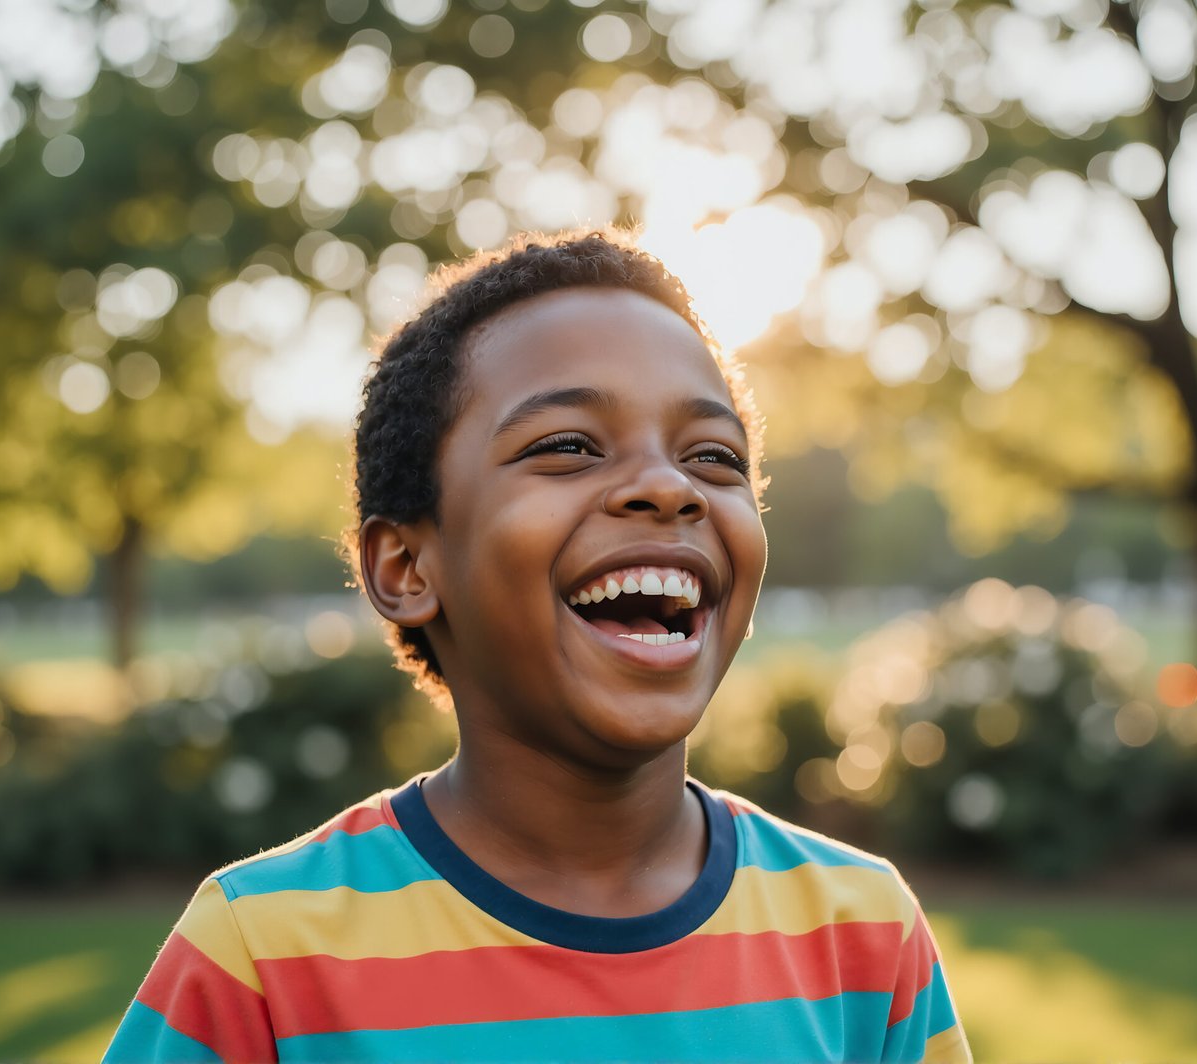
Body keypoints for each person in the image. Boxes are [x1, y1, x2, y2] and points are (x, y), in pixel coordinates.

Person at [104, 230, 972, 1063]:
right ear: (407, 565)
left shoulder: (864, 936)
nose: (669, 488)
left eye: (713, 456)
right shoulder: (259, 957)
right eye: (567, 446)